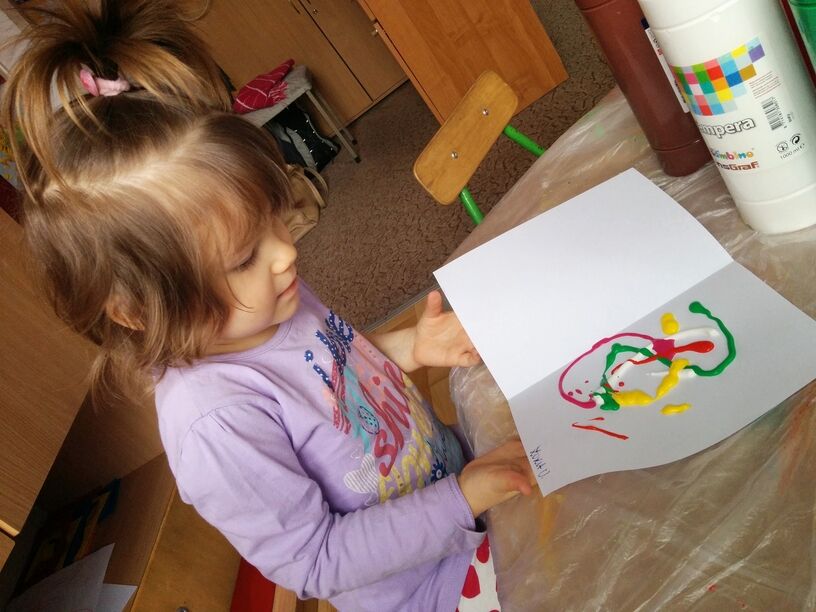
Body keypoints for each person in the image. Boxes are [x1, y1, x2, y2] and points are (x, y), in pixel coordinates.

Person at [2, 2, 537, 610]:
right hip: (432, 587)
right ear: (136, 311)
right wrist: (461, 499)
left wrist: (411, 346)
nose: (286, 253)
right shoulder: (214, 422)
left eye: (274, 218)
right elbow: (315, 560)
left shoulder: (266, 304)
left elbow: (336, 377)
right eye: (242, 258)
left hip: (463, 488)